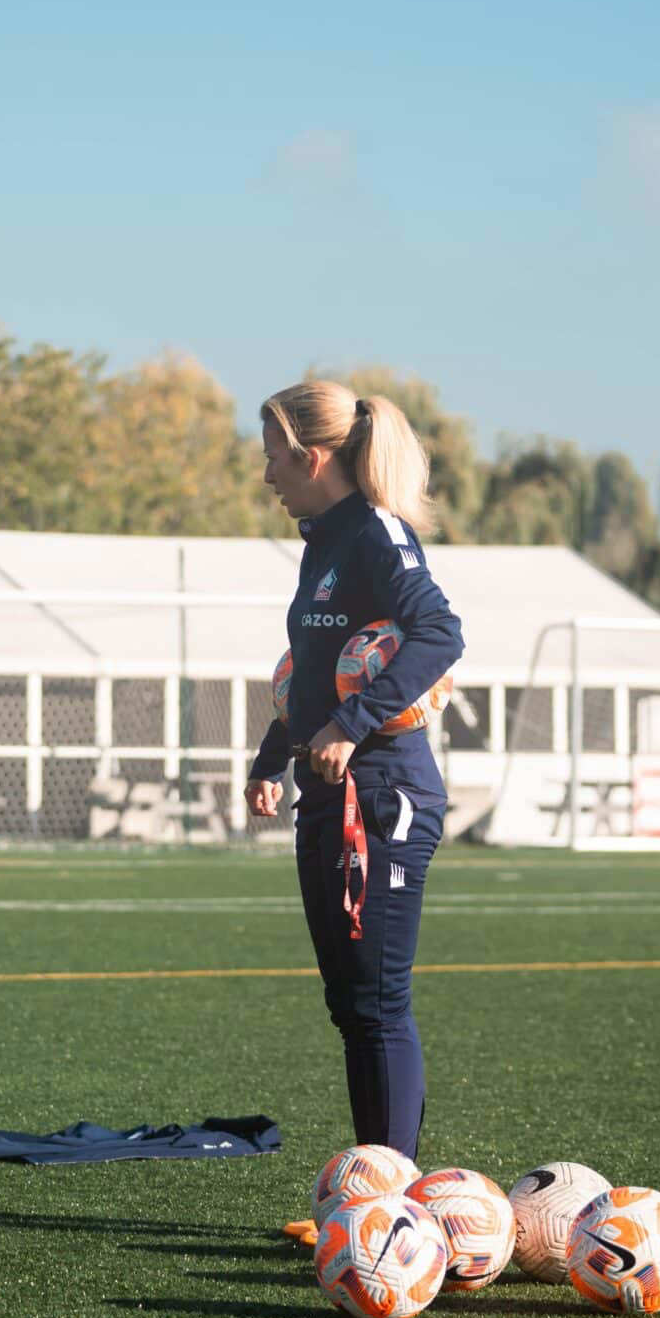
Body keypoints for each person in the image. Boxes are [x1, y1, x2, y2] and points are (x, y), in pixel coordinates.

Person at [245, 379, 464, 1164]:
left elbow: (439, 633)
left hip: (384, 797)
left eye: (273, 456)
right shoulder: (323, 542)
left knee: (376, 1002)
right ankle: (377, 1183)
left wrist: (350, 724)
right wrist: (275, 757)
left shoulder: (375, 531)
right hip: (325, 794)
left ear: (312, 454)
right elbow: (313, 671)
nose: (266, 474)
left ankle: (390, 1202)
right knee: (351, 1005)